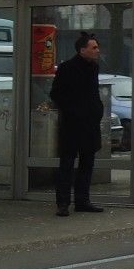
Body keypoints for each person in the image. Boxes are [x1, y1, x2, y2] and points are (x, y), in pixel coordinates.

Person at [50, 32, 105, 216]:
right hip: (73, 124)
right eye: (94, 47)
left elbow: (93, 92)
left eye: (97, 47)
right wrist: (71, 110)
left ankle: (82, 199)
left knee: (87, 162)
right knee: (67, 163)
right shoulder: (67, 68)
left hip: (90, 123)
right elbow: (56, 93)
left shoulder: (93, 68)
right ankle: (63, 202)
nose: (97, 50)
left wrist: (97, 109)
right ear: (83, 50)